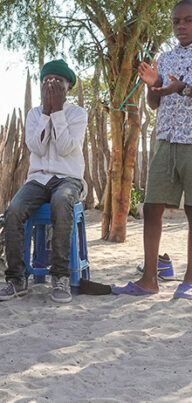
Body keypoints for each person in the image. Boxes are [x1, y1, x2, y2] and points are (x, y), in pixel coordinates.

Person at [0, 59, 87, 304]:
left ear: (68, 87)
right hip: (39, 178)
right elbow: (37, 147)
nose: (51, 86)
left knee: (62, 202)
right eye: (46, 81)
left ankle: (61, 277)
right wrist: (46, 112)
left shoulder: (77, 114)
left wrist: (57, 112)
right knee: (14, 211)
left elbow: (65, 148)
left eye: (58, 82)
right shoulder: (35, 113)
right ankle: (16, 280)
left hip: (68, 178)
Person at [113, 0, 192, 298]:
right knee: (151, 207)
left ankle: (189, 282)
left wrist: (181, 87)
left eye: (187, 20)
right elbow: (155, 102)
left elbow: (185, 90)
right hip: (165, 140)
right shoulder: (166, 58)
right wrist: (152, 85)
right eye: (176, 22)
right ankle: (149, 280)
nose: (181, 26)